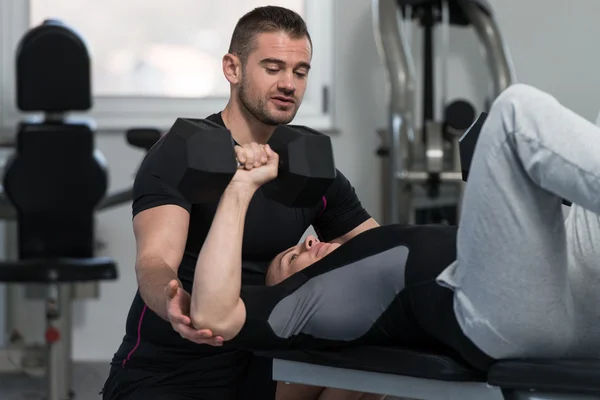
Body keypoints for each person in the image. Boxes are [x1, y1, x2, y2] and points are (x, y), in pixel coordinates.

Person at [186, 83, 600, 389]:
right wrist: (241, 186)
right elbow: (213, 314)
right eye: (292, 259)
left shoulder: (365, 246)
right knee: (514, 112)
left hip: (574, 287)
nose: (309, 241)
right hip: (506, 319)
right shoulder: (310, 304)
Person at [101, 5, 380, 400]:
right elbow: (153, 261)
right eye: (273, 68)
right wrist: (171, 299)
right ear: (233, 68)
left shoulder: (309, 163)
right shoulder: (181, 153)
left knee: (373, 375)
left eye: (300, 72)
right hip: (176, 367)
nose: (289, 84)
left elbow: (376, 249)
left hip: (265, 356)